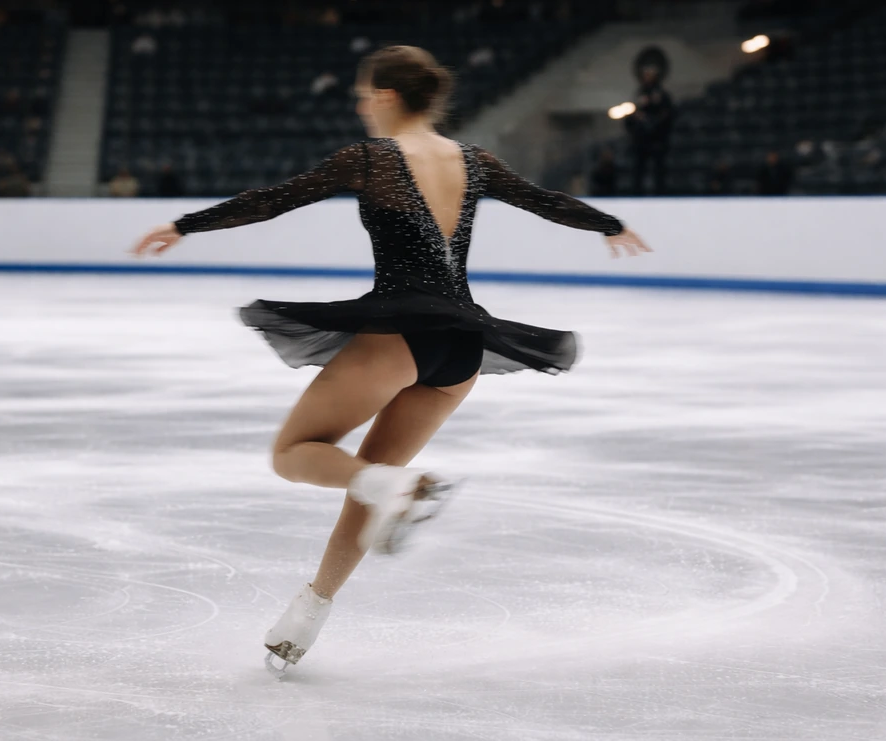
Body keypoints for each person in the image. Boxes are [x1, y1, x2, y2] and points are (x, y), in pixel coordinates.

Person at [131, 45, 650, 676]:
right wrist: (609, 223)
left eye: (362, 95)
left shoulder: (371, 159)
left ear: (384, 97)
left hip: (400, 334)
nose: (359, 106)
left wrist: (186, 224)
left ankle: (393, 491)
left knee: (295, 455)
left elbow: (275, 199)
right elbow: (545, 200)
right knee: (368, 482)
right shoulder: (474, 162)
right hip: (462, 349)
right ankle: (305, 620)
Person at [625, 68, 674, 195]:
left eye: (650, 74)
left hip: (658, 138)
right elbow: (632, 113)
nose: (647, 77)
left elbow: (668, 114)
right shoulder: (639, 94)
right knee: (639, 169)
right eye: (646, 74)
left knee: (659, 169)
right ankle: (637, 194)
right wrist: (637, 116)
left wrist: (656, 122)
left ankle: (660, 194)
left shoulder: (662, 94)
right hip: (641, 139)